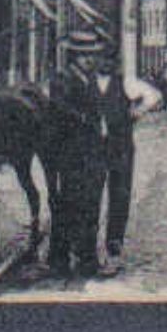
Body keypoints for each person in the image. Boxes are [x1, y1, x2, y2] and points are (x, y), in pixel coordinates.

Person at [46, 30, 117, 279]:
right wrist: (86, 119)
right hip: (71, 154)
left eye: (93, 55)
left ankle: (83, 259)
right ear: (74, 56)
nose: (90, 60)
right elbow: (59, 108)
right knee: (70, 206)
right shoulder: (62, 79)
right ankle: (62, 260)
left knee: (89, 206)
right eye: (85, 55)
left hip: (91, 153)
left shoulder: (89, 79)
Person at [92, 49, 163, 261]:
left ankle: (114, 240)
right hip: (94, 146)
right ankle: (88, 242)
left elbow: (153, 96)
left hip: (120, 144)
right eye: (101, 59)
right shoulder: (87, 83)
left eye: (109, 60)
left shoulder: (126, 83)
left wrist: (137, 112)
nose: (105, 63)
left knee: (120, 191)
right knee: (91, 192)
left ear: (116, 64)